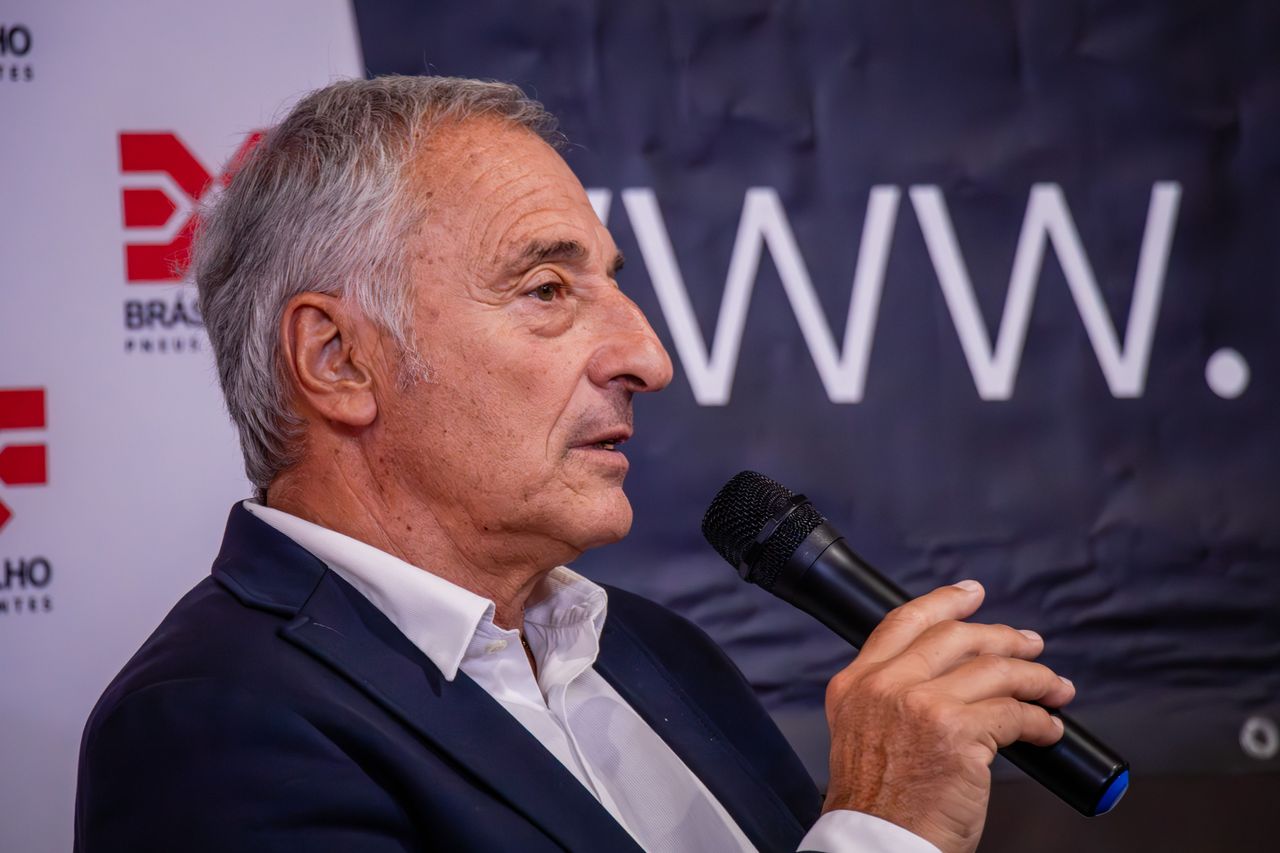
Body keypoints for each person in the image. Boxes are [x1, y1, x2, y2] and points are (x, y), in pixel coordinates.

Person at [75, 76, 1073, 853]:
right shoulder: (207, 726)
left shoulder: (661, 654)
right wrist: (882, 828)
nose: (648, 357)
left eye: (611, 284)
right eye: (547, 288)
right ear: (338, 360)